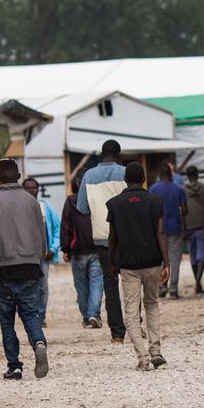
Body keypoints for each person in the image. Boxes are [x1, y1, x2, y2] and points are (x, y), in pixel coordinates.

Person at [0, 160, 50, 380]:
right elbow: (42, 234)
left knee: (7, 319)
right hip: (30, 267)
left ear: (0, 178)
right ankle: (39, 342)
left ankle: (15, 366)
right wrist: (39, 256)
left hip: (5, 267)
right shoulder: (31, 201)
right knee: (30, 314)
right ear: (19, 175)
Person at [106, 161, 169, 371]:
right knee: (151, 304)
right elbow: (161, 232)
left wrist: (112, 262)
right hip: (153, 261)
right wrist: (166, 261)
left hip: (128, 265)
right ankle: (156, 350)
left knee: (131, 312)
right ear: (144, 179)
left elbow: (112, 237)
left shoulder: (114, 204)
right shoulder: (155, 201)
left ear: (125, 180)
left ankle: (142, 357)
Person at [76, 140, 129, 344]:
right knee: (131, 282)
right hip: (126, 237)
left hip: (102, 238)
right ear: (119, 154)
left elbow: (82, 208)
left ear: (101, 154)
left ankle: (117, 333)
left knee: (110, 284)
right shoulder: (125, 173)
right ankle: (135, 325)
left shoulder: (88, 176)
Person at [61, 168, 104, 328]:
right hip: (97, 247)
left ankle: (87, 316)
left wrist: (65, 248)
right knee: (97, 282)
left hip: (77, 249)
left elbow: (65, 226)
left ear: (76, 182)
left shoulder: (71, 201)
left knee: (81, 286)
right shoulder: (98, 198)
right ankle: (93, 314)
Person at [24, 177, 60, 326]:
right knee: (27, 287)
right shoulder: (20, 208)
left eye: (34, 188)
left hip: (43, 256)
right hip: (26, 257)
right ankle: (30, 315)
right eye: (28, 188)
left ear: (38, 189)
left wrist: (53, 248)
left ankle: (41, 316)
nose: (31, 190)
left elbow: (57, 229)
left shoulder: (46, 207)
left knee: (43, 287)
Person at [149, 163, 188, 299]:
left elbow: (149, 210)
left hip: (158, 229)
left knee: (160, 258)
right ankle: (173, 289)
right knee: (175, 259)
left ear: (159, 175)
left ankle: (162, 287)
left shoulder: (153, 189)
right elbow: (184, 210)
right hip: (175, 226)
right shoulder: (178, 189)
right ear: (172, 175)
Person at [181, 165, 204, 294]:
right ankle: (198, 282)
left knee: (193, 254)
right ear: (197, 175)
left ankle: (197, 282)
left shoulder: (183, 190)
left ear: (187, 176)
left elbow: (181, 210)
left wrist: (182, 228)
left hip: (188, 225)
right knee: (201, 254)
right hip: (203, 224)